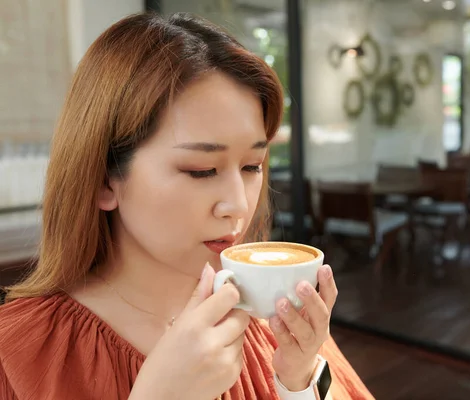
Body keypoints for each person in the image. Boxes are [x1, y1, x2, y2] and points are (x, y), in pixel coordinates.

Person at [0, 12, 374, 400]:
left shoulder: (273, 322)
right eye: (201, 170)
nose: (238, 204)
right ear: (102, 181)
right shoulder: (19, 356)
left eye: (252, 166)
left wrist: (298, 381)